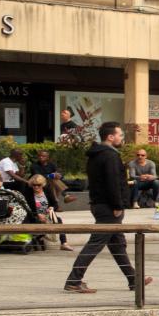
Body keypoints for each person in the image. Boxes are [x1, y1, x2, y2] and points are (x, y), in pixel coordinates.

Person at [65, 121, 150, 295]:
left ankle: (133, 278)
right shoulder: (110, 155)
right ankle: (74, 280)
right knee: (96, 242)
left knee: (117, 244)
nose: (121, 137)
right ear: (110, 137)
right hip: (109, 207)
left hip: (100, 204)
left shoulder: (96, 155)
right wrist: (118, 205)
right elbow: (113, 182)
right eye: (119, 134)